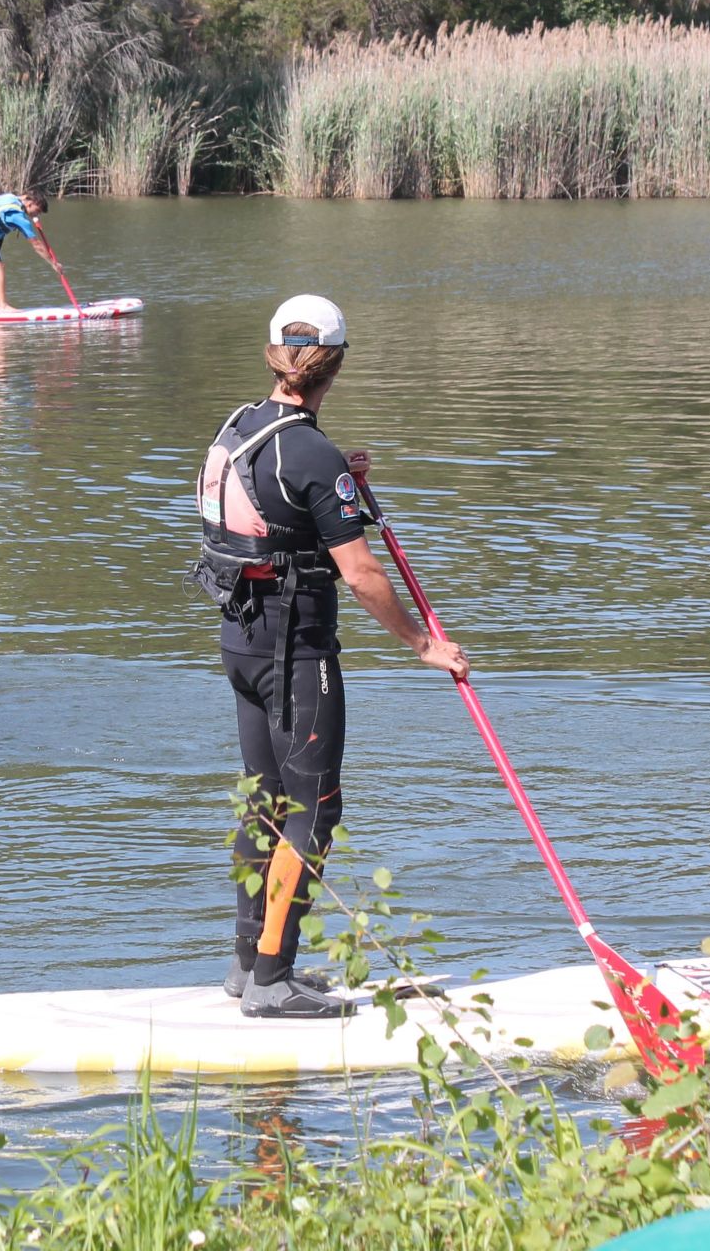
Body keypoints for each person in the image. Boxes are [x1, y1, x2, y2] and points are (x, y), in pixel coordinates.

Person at [191, 294, 470, 1018]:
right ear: (334, 365)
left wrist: (339, 478)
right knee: (314, 807)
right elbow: (362, 574)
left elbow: (275, 501)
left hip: (240, 641)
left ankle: (249, 960)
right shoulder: (310, 453)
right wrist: (423, 645)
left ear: (275, 357)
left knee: (266, 800)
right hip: (296, 649)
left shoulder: (242, 423)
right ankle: (273, 983)